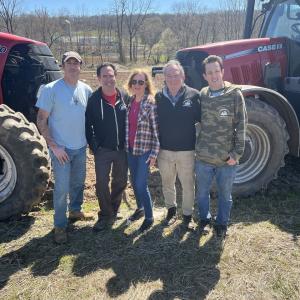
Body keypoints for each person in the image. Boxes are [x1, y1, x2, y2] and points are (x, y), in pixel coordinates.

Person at [36, 51, 93, 244]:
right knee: (61, 189)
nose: (72, 66)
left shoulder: (86, 89)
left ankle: (75, 211)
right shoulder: (51, 89)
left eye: (76, 63)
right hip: (61, 149)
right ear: (62, 66)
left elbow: (90, 119)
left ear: (80, 66)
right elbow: (41, 119)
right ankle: (60, 225)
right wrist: (54, 146)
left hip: (80, 147)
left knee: (78, 182)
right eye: (69, 63)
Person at [195, 55, 246, 237]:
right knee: (201, 193)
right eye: (210, 72)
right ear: (205, 76)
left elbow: (241, 125)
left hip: (226, 159)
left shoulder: (234, 95)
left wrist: (237, 154)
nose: (214, 75)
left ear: (223, 72)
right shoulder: (202, 95)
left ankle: (222, 223)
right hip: (203, 158)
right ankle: (204, 219)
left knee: (225, 195)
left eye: (217, 71)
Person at [156, 60, 201, 229]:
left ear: (182, 76)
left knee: (188, 184)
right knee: (167, 183)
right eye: (169, 76)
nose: (173, 79)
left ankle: (187, 216)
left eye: (176, 75)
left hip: (186, 151)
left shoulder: (194, 95)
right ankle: (171, 210)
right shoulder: (158, 96)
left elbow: (201, 121)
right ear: (164, 77)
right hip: (164, 151)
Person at [85, 63, 128, 232]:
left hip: (122, 149)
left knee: (121, 181)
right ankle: (104, 214)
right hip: (103, 150)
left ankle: (114, 210)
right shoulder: (94, 100)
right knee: (102, 183)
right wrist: (95, 146)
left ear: (115, 76)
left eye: (111, 75)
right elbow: (88, 126)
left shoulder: (124, 96)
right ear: (99, 78)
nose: (109, 79)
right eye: (105, 76)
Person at [125, 69, 160, 233]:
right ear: (131, 85)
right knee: (133, 181)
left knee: (140, 183)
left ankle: (149, 217)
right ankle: (140, 208)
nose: (137, 85)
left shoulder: (150, 103)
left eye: (141, 82)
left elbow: (156, 130)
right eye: (135, 82)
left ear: (146, 84)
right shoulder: (130, 101)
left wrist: (154, 153)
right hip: (131, 149)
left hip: (145, 151)